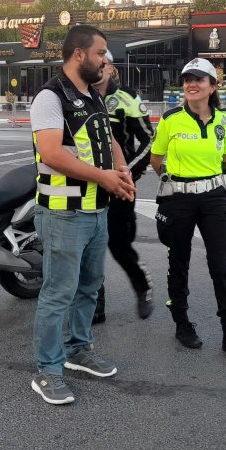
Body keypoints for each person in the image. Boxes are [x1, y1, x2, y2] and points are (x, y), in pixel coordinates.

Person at [29, 25, 136, 405]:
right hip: (63, 214)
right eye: (101, 52)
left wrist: (120, 171)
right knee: (58, 293)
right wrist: (104, 178)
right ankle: (47, 370)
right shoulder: (49, 97)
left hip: (96, 211)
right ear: (79, 54)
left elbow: (108, 139)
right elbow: (53, 154)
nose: (106, 59)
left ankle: (78, 349)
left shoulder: (92, 95)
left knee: (89, 288)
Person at [149, 58, 226, 362]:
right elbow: (156, 159)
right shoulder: (170, 119)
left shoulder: (225, 121)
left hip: (214, 198)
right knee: (178, 263)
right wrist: (177, 182)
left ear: (212, 86)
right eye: (187, 79)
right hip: (178, 198)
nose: (191, 84)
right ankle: (182, 324)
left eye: (199, 79)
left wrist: (208, 182)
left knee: (221, 267)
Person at [92, 55, 155, 324]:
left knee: (119, 245)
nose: (99, 68)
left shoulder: (127, 98)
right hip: (86, 184)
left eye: (104, 62)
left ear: (111, 67)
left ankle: (142, 287)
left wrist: (128, 173)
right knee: (89, 248)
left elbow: (149, 139)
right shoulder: (75, 96)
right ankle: (96, 304)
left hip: (121, 186)